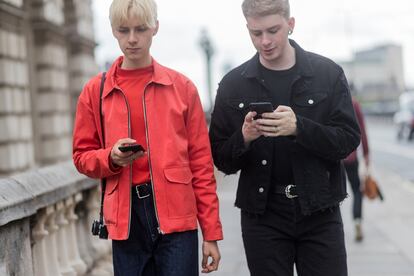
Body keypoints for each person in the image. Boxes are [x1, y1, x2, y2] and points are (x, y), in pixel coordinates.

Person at [209, 0, 360, 275]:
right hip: (262, 216)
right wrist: (243, 138)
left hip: (319, 211)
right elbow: (221, 159)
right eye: (256, 33)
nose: (265, 41)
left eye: (273, 30)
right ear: (247, 29)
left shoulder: (328, 73)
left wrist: (299, 127)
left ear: (290, 25)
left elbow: (348, 141)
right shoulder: (232, 84)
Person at [72, 0, 222, 275]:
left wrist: (210, 233)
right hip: (126, 221)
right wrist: (111, 157)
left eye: (140, 29)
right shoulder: (95, 90)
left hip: (177, 217)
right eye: (123, 30)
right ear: (113, 31)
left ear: (155, 28)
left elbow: (201, 164)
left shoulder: (182, 88)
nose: (132, 39)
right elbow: (81, 156)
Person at [344, 97, 369, 242]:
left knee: (333, 192)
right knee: (357, 190)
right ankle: (357, 221)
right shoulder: (354, 103)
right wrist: (366, 153)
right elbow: (362, 130)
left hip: (334, 157)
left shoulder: (329, 100)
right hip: (352, 156)